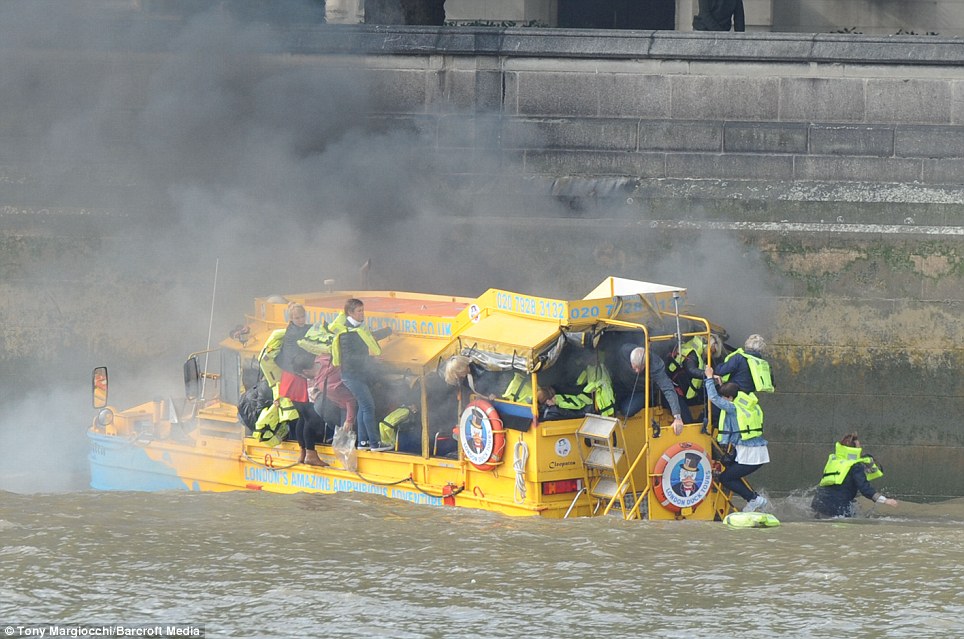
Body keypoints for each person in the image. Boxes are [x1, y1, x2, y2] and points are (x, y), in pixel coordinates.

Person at [704, 364, 769, 512]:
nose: (723, 400)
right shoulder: (743, 401)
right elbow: (725, 395)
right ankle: (755, 499)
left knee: (725, 478)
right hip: (756, 450)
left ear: (729, 398)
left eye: (724, 398)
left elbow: (713, 398)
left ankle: (754, 499)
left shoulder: (732, 408)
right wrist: (721, 385)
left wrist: (709, 378)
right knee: (730, 471)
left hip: (750, 454)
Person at [331, 298, 391, 452]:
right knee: (369, 407)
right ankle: (374, 443)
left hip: (357, 374)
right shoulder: (346, 332)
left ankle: (362, 442)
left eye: (363, 310)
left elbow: (369, 336)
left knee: (362, 408)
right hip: (352, 376)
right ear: (350, 313)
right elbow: (349, 357)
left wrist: (388, 331)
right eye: (359, 311)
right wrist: (371, 359)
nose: (362, 314)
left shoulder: (357, 328)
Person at [811, 433, 898, 518]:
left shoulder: (834, 460)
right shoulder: (855, 466)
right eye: (859, 446)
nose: (861, 448)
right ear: (854, 450)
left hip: (818, 504)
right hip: (836, 509)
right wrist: (886, 500)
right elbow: (865, 489)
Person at [609, 344, 685, 434]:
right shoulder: (623, 351)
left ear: (646, 363)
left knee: (627, 410)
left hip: (642, 391)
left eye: (640, 368)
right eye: (635, 367)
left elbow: (668, 389)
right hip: (622, 386)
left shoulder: (656, 365)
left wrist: (677, 417)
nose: (637, 371)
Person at [276, 303, 313, 403]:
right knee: (301, 405)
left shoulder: (292, 328)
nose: (301, 320)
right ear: (291, 319)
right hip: (296, 374)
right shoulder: (295, 333)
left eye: (302, 317)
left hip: (290, 371)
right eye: (297, 318)